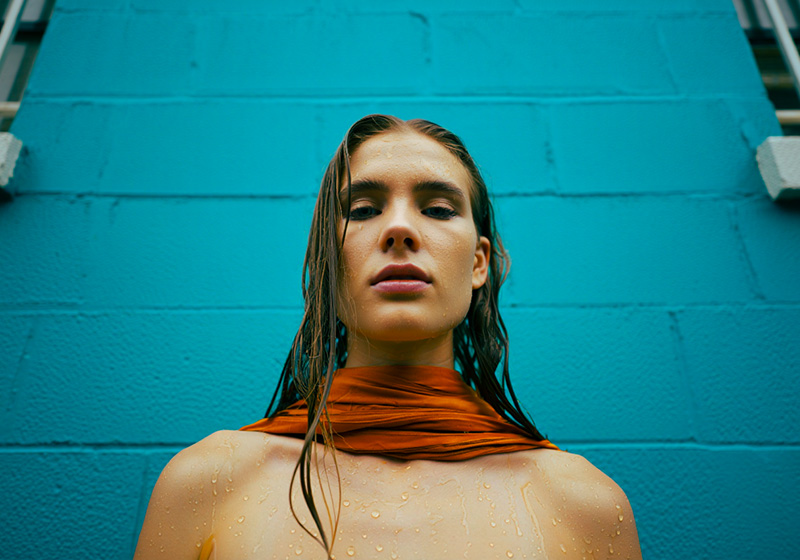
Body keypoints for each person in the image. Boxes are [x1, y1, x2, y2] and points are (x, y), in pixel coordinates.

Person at [133, 115, 643, 560]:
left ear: (479, 263)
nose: (399, 229)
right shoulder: (207, 481)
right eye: (362, 210)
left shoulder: (585, 503)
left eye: (439, 209)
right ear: (327, 264)